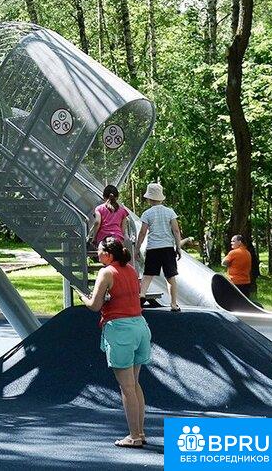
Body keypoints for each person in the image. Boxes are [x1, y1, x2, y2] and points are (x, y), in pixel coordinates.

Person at [79, 238, 151, 448]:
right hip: (140, 326)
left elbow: (94, 305)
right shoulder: (130, 270)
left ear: (109, 255)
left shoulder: (106, 272)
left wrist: (83, 297)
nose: (97, 253)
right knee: (134, 384)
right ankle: (140, 432)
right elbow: (123, 296)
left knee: (127, 387)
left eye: (100, 251)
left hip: (121, 331)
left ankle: (134, 437)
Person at [137, 182, 184, 311]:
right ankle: (173, 303)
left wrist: (137, 248)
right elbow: (176, 230)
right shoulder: (170, 212)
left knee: (148, 274)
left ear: (149, 199)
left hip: (153, 248)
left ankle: (142, 294)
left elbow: (142, 232)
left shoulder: (147, 213)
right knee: (170, 277)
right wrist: (178, 247)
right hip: (167, 247)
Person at [88, 185, 130, 250]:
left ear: (103, 197)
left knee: (104, 256)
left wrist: (94, 238)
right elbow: (123, 230)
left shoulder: (99, 208)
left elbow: (97, 222)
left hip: (103, 239)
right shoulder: (123, 211)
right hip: (117, 239)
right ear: (117, 197)